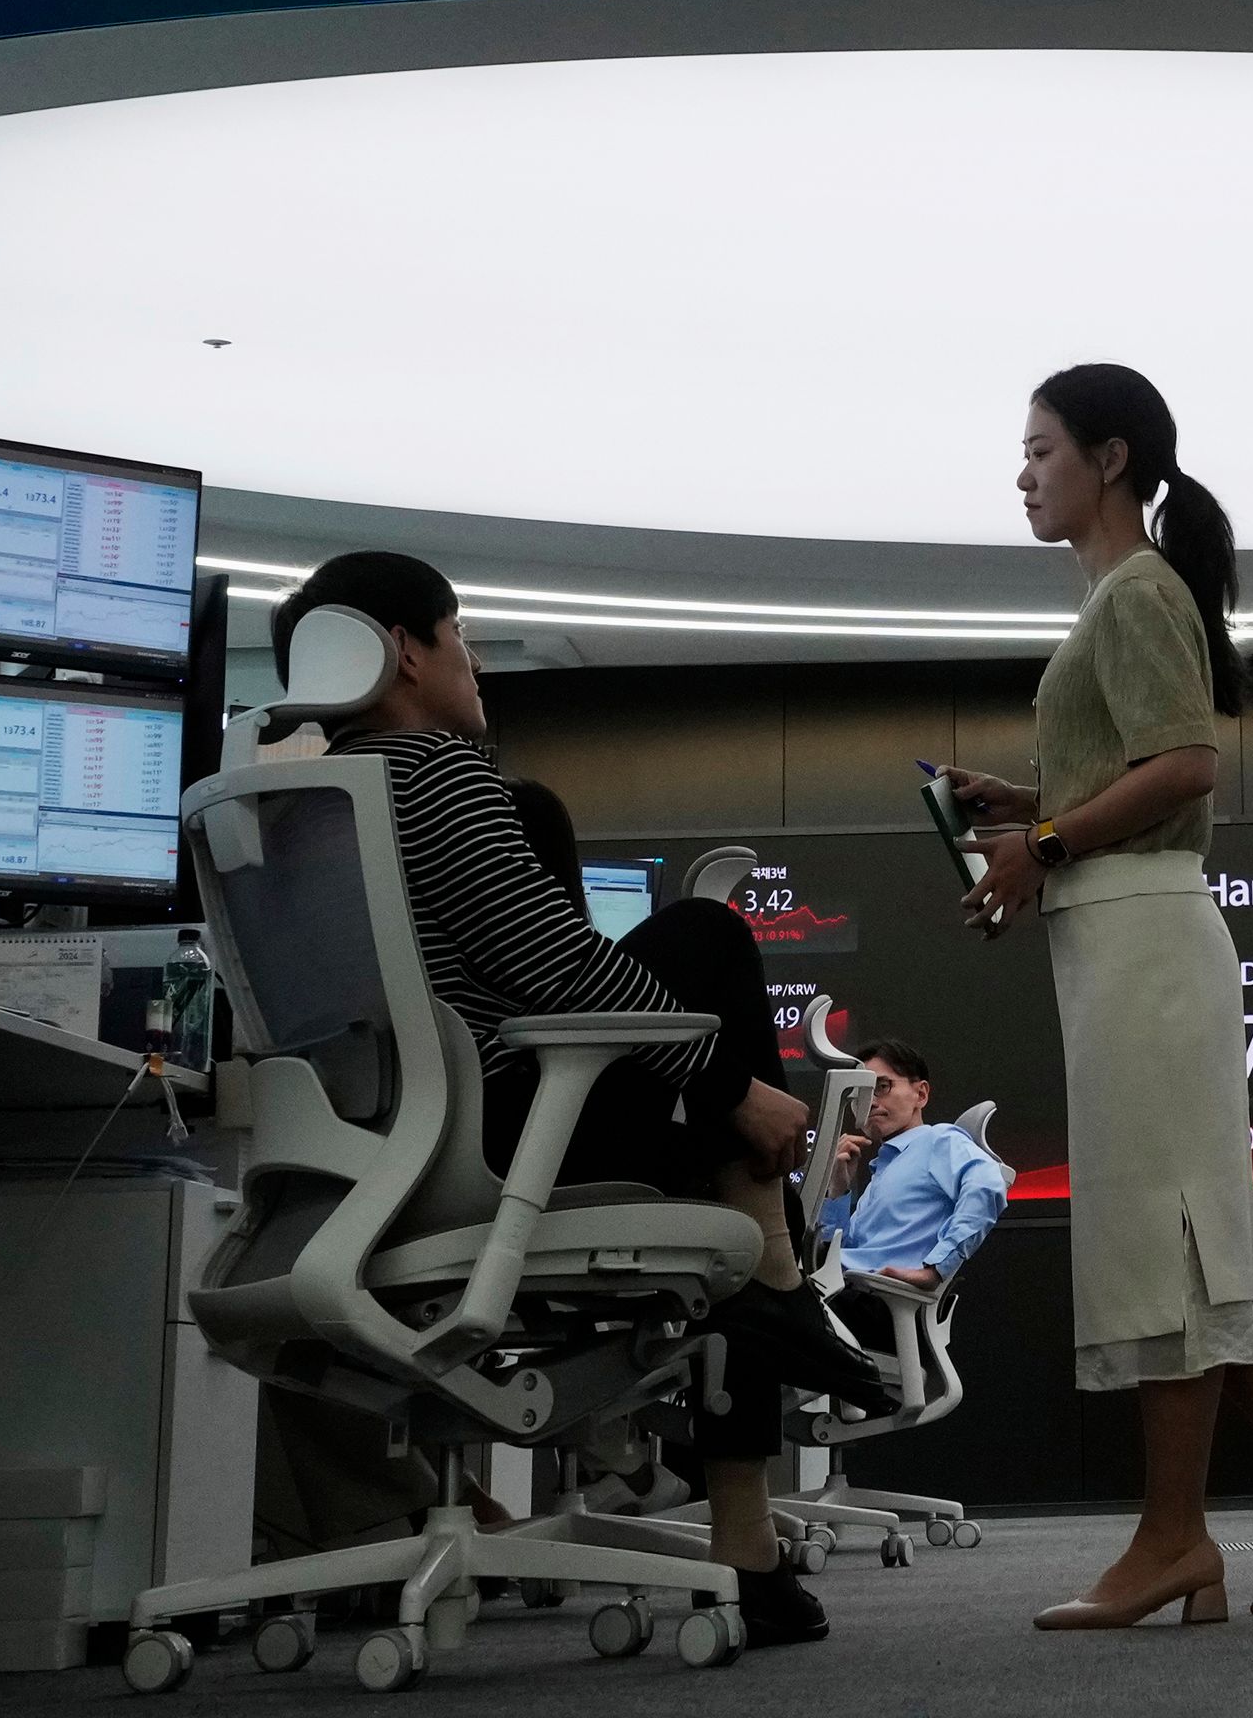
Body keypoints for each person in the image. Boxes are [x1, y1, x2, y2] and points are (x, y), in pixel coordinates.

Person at [274, 549, 886, 1650]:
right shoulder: (436, 775)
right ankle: (776, 1294)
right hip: (503, 1140)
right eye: (458, 637)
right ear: (403, 651)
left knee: (704, 1114)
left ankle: (766, 1323)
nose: (472, 663)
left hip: (369, 1163)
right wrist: (735, 1089)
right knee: (703, 936)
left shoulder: (288, 812)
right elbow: (563, 971)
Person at [941, 362, 1253, 1630]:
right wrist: (1025, 807)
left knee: (1168, 1239)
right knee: (1190, 1240)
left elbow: (1188, 765)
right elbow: (1134, 772)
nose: (1022, 473)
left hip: (1143, 937)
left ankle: (1176, 1535)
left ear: (1109, 455)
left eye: (1040, 449)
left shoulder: (1137, 593)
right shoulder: (1125, 595)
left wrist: (1039, 844)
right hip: (1124, 938)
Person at [816, 1036, 1010, 1301]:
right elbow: (839, 1254)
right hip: (836, 1293)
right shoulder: (882, 1173)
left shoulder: (940, 1140)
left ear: (921, 1094)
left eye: (881, 1087)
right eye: (858, 1095)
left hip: (872, 1301)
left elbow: (987, 1185)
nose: (869, 1103)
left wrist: (936, 1269)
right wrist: (839, 1190)